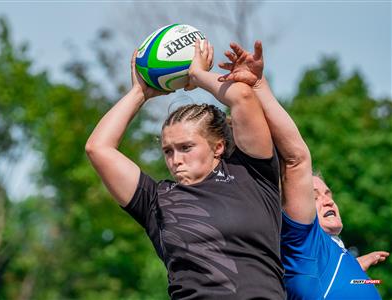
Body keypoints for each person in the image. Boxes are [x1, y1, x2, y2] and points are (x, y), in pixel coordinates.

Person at [85, 40, 285, 299]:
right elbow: (98, 148)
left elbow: (243, 97)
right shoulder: (156, 200)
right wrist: (140, 93)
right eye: (168, 150)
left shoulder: (251, 173)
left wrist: (197, 75)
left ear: (218, 147)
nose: (175, 159)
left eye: (186, 147)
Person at [218, 40, 389, 299]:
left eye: (327, 193)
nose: (327, 200)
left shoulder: (332, 252)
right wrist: (257, 86)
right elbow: (295, 157)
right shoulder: (302, 240)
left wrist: (353, 270)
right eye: (314, 195)